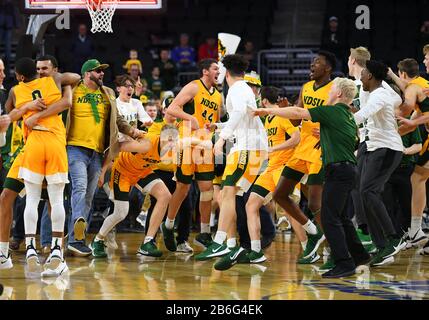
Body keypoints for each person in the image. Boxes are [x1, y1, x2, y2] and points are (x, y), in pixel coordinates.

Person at [255, 77, 371, 278]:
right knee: (341, 217)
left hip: (338, 169)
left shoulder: (332, 111)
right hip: (347, 169)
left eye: (331, 90)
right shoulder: (347, 116)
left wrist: (267, 111)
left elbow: (299, 113)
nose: (327, 93)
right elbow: (353, 141)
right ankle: (360, 256)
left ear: (338, 94)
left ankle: (344, 262)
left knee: (330, 217)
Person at [2, 57, 81, 277]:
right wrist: (63, 82)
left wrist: (26, 109)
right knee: (56, 200)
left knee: (32, 199)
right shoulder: (54, 80)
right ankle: (57, 249)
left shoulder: (17, 90)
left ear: (19, 76)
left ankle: (30, 249)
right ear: (37, 72)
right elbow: (76, 77)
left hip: (34, 143)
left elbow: (7, 116)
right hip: (55, 143)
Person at [194, 54, 268, 269]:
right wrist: (218, 126)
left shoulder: (236, 89)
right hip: (254, 148)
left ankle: (220, 242)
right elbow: (241, 117)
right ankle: (234, 244)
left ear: (226, 71)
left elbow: (236, 116)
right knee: (232, 194)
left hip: (245, 148)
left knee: (226, 193)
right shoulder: (244, 88)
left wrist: (221, 140)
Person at [217, 86, 300, 270]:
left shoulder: (279, 116)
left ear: (262, 101)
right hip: (268, 167)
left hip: (285, 167)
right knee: (251, 204)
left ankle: (309, 244)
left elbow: (297, 137)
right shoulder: (265, 119)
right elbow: (239, 122)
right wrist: (217, 127)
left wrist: (274, 149)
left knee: (289, 208)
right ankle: (256, 250)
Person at [66, 59, 140, 257]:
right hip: (75, 148)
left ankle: (76, 239)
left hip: (98, 152)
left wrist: (132, 131)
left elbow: (117, 120)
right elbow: (60, 79)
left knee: (88, 196)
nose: (102, 74)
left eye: (102, 71)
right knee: (80, 187)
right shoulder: (73, 89)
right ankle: (76, 237)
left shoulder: (107, 93)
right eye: (98, 71)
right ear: (87, 73)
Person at [272, 51, 337, 264]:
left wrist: (329, 132)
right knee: (280, 194)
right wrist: (285, 111)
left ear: (327, 68)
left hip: (321, 150)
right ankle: (313, 232)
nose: (312, 65)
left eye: (317, 62)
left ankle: (333, 250)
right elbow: (296, 120)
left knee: (316, 203)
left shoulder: (334, 88)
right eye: (312, 62)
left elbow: (344, 117)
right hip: (302, 149)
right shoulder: (306, 88)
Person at [91, 126, 176, 258]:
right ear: (162, 137)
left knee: (165, 196)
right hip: (123, 171)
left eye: (174, 139)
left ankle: (148, 242)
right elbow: (116, 146)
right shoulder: (146, 145)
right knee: (121, 213)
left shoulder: (172, 147)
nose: (172, 143)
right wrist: (102, 172)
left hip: (141, 172)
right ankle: (98, 239)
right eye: (169, 139)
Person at [165, 58, 222, 252]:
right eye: (215, 68)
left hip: (205, 146)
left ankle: (204, 233)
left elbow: (216, 121)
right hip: (187, 144)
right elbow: (171, 109)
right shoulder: (193, 87)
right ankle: (168, 226)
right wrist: (190, 118)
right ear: (205, 71)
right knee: (183, 189)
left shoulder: (218, 96)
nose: (219, 72)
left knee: (207, 190)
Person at [354, 60, 405, 267]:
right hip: (373, 145)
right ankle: (381, 243)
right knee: (363, 193)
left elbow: (362, 115)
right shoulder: (375, 90)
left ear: (370, 77)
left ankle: (394, 237)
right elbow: (397, 100)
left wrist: (339, 123)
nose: (360, 76)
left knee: (369, 192)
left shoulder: (379, 94)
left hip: (387, 148)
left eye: (363, 72)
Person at [389, 57, 429, 248]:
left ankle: (415, 229)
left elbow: (406, 111)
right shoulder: (423, 85)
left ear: (403, 74)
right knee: (419, 178)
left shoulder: (414, 87)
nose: (425, 61)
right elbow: (414, 120)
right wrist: (394, 133)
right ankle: (415, 230)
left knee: (418, 179)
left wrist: (393, 115)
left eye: (427, 58)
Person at [346, 46, 375, 253]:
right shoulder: (369, 84)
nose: (348, 62)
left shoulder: (358, 86)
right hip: (366, 141)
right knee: (362, 189)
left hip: (367, 141)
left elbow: (358, 117)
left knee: (361, 188)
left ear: (354, 61)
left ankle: (367, 231)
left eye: (349, 59)